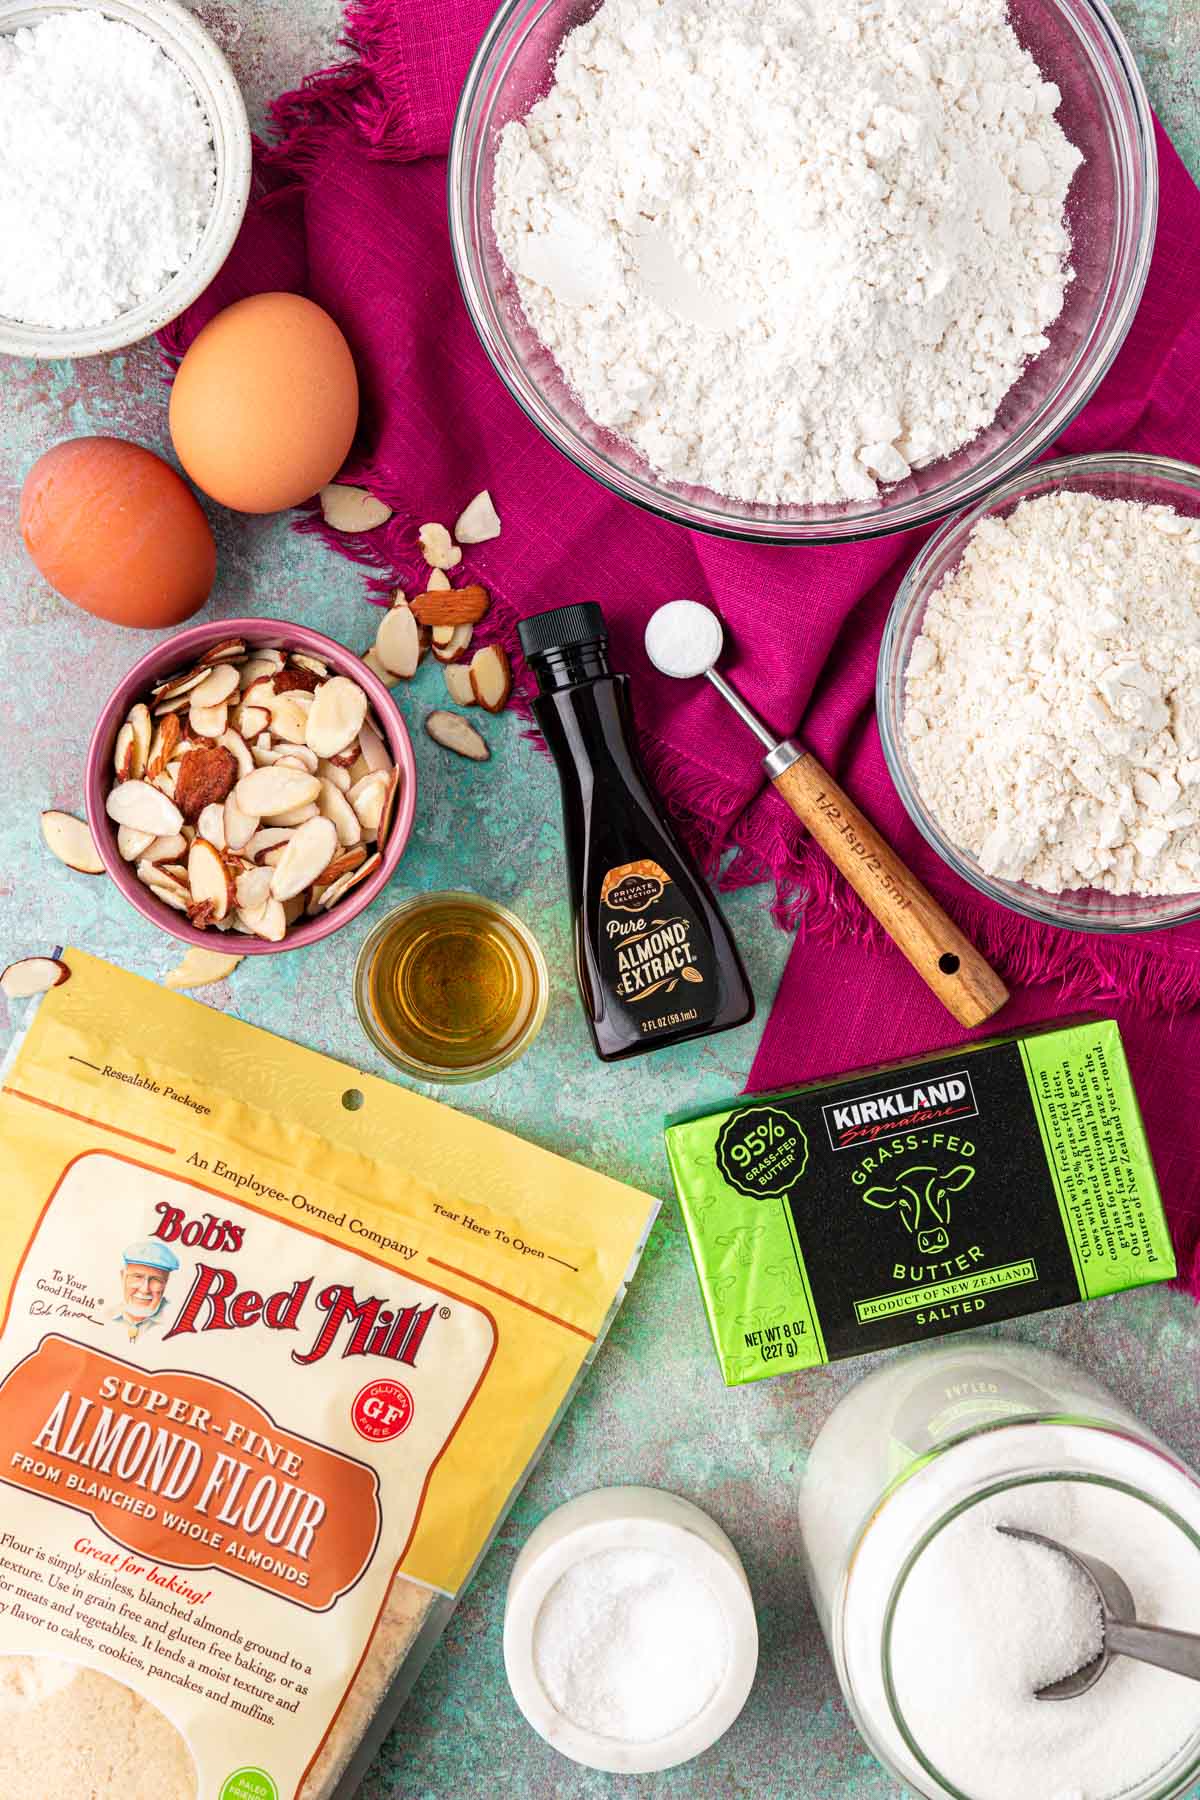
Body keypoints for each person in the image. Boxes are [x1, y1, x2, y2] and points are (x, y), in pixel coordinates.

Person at [110, 1238, 180, 1342]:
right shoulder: (108, 1314)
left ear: (166, 1283)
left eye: (156, 1279)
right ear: (122, 1277)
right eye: (137, 1277)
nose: (144, 1289)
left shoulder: (174, 1322)